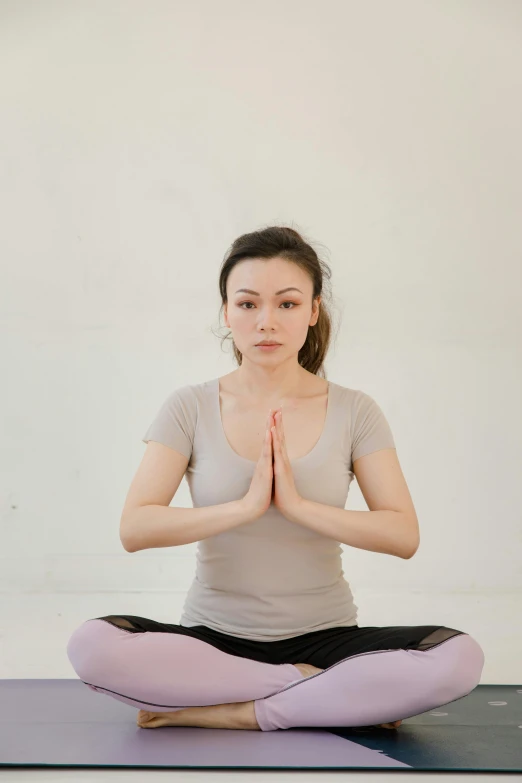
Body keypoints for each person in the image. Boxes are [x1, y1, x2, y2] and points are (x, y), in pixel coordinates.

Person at [66, 226, 484, 732]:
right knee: (90, 646)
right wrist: (243, 507)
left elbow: (403, 535)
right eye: (247, 304)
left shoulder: (355, 410)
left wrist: (300, 507)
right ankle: (321, 691)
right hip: (215, 641)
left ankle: (240, 712)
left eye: (287, 305)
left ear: (313, 311)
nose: (266, 322)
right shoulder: (190, 406)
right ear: (226, 312)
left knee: (460, 658)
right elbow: (135, 528)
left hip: (327, 636)